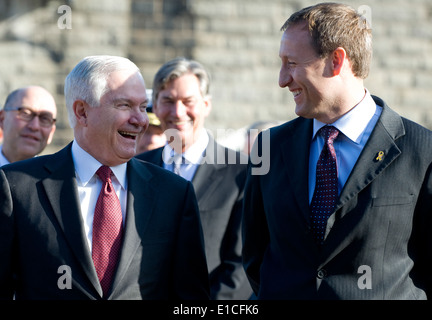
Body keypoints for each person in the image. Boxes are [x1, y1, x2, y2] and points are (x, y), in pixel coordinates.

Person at [242, 2, 432, 299]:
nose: (282, 80)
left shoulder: (422, 152)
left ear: (336, 60)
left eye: (291, 63)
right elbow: (256, 259)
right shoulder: (269, 148)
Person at [0, 55, 210, 300]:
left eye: (143, 107)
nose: (140, 119)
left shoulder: (174, 194)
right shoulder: (18, 187)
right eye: (124, 105)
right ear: (82, 112)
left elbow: (191, 298)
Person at [136, 57, 252, 300]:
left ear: (206, 105)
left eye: (188, 102)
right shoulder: (136, 169)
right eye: (167, 101)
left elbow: (242, 264)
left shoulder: (241, 172)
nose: (177, 112)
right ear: (155, 105)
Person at [0, 86, 57, 166]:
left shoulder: (62, 177)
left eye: (45, 118)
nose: (35, 126)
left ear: (51, 132)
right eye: (26, 113)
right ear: (2, 119)